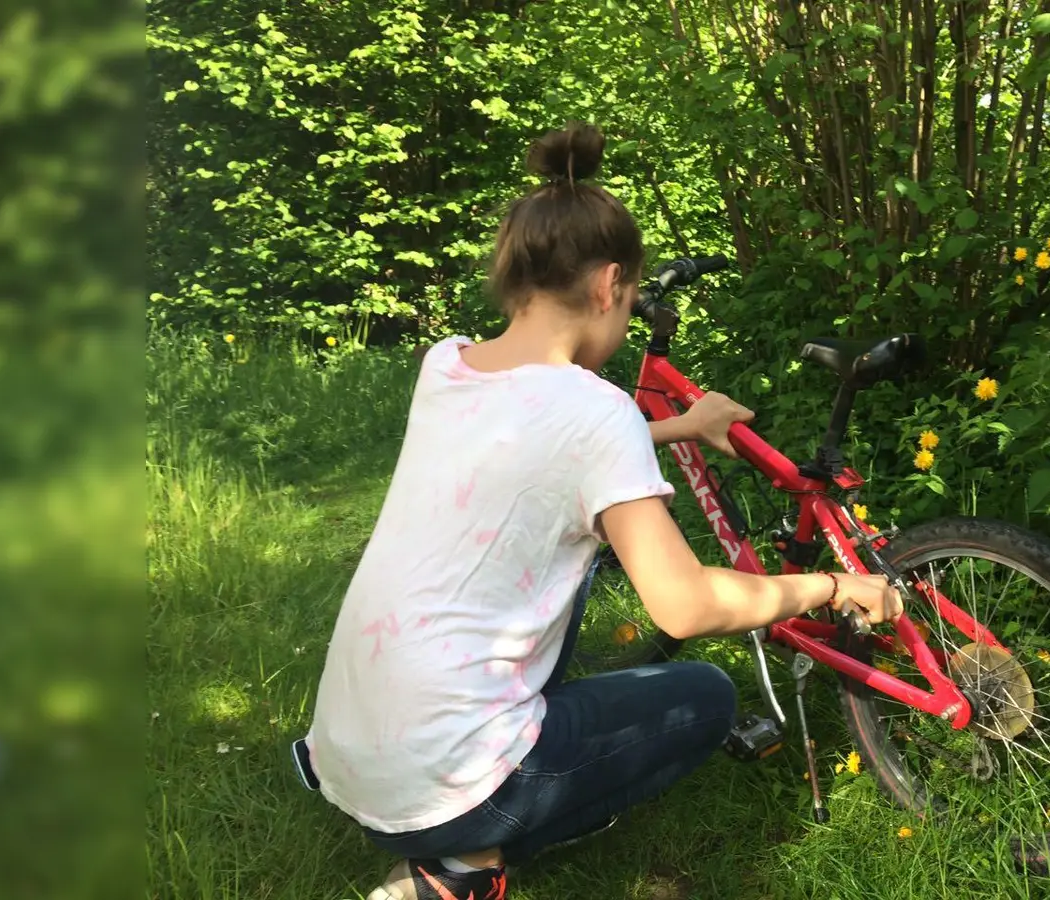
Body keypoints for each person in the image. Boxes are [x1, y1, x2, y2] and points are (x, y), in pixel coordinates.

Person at [302, 123, 903, 900]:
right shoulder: (595, 412)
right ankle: (460, 870)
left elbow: (538, 453)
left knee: (571, 552)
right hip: (445, 786)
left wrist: (679, 426)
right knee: (708, 696)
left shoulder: (445, 365)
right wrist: (826, 588)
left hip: (347, 756)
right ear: (607, 285)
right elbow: (684, 606)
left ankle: (455, 824)